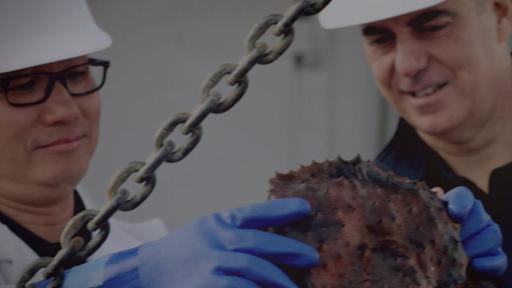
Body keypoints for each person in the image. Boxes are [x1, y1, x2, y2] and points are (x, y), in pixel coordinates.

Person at [1, 1, 507, 288]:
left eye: (75, 74)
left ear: (502, 14)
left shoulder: (144, 250)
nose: (63, 108)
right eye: (20, 85)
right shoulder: (151, 266)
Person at [320, 0, 512, 286]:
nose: (408, 65)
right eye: (380, 39)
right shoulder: (365, 218)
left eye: (433, 27)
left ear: (500, 15)